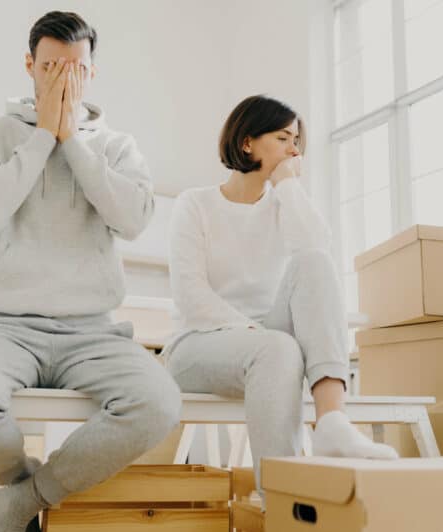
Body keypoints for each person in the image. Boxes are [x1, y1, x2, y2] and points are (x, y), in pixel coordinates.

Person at [0, 11, 181, 532]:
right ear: (29, 66)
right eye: (51, 67)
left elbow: (133, 220)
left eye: (76, 68)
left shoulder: (117, 146)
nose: (64, 78)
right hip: (0, 325)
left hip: (92, 331)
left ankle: (24, 502)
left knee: (158, 403)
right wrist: (43, 136)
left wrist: (74, 141)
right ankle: (21, 481)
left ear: (92, 72)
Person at [165, 94, 398, 492]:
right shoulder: (195, 204)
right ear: (247, 142)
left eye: (297, 142)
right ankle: (281, 502)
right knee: (278, 349)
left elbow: (316, 251)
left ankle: (331, 422)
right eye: (283, 138)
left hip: (267, 344)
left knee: (315, 264)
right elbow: (192, 297)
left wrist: (287, 185)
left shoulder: (283, 203)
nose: (294, 150)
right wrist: (258, 336)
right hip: (198, 345)